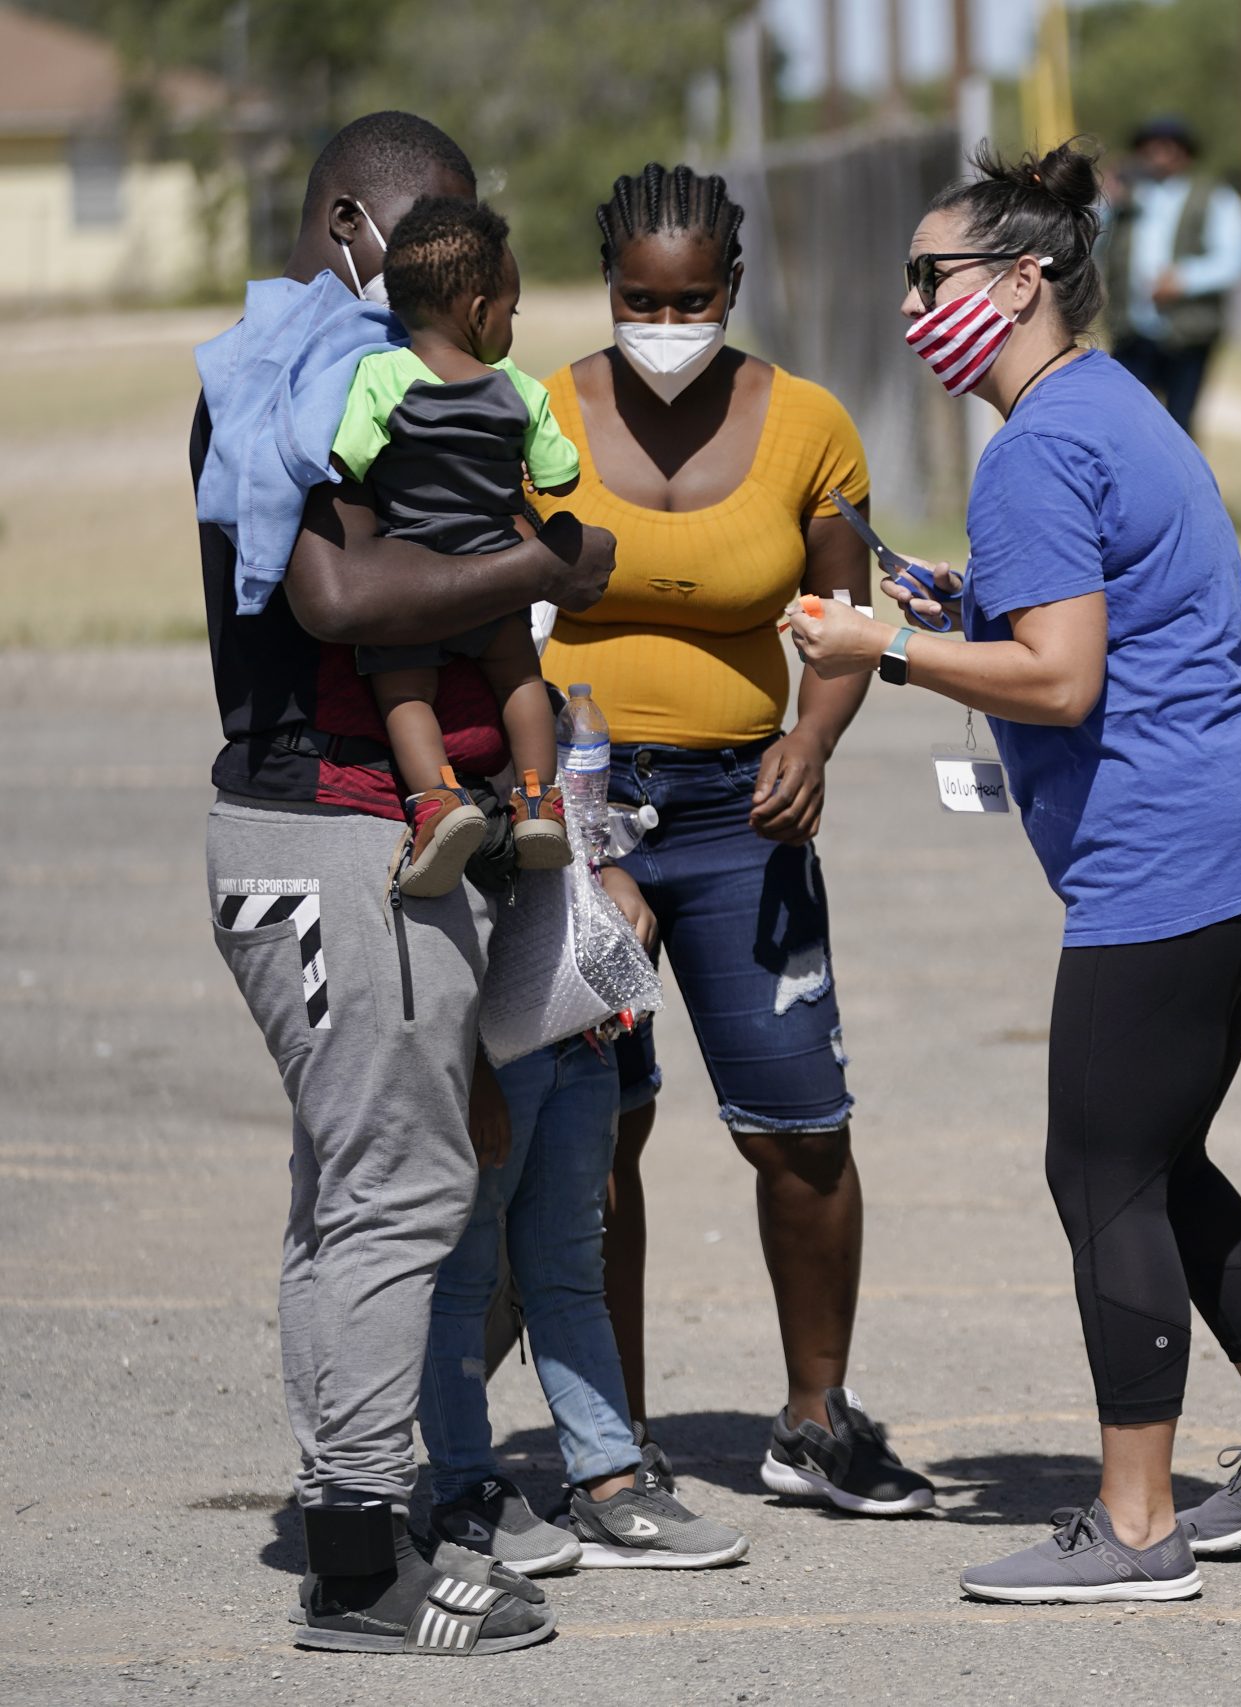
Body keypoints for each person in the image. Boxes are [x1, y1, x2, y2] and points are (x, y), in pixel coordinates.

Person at [789, 139, 1241, 1606]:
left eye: (928, 275)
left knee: (1103, 1168)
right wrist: (963, 602)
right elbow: (1094, 606)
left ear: (1018, 282)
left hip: (1173, 859)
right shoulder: (1103, 401)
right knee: (1158, 1154)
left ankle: (1134, 1525)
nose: (911, 301)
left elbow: (1061, 679)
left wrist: (885, 645)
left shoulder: (1036, 449)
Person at [194, 110, 614, 1655]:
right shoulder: (299, 378)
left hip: (370, 828)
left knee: (350, 1188)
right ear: (352, 228)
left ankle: (348, 1513)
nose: (451, 264)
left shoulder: (375, 375)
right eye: (430, 231)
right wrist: (543, 570)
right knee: (402, 1189)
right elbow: (340, 590)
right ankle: (364, 1570)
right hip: (331, 829)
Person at [528, 162, 934, 1518]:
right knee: (598, 1136)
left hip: (739, 818)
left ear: (732, 288)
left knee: (803, 1132)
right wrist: (548, 816)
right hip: (582, 817)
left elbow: (842, 624)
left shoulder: (809, 425)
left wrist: (810, 740)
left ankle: (817, 1419)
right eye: (641, 301)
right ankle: (613, 1443)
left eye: (691, 300)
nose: (665, 325)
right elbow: (489, 620)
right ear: (609, 286)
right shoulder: (539, 415)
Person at [417, 983, 750, 1575]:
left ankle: (610, 1491)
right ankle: (463, 1494)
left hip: (580, 1035)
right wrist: (468, 1064)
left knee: (568, 1273)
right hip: (485, 1043)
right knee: (461, 1276)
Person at [331, 196, 578, 895]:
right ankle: (538, 800)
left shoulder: (380, 376)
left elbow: (347, 459)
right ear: (479, 312)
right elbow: (561, 476)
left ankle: (439, 800)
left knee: (405, 690)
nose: (511, 324)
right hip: (496, 575)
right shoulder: (518, 388)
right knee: (520, 680)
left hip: (414, 582)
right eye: (512, 310)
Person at [1099, 115, 1241, 439]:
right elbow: (1092, 245)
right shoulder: (1126, 197)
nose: (1158, 154)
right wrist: (1107, 198)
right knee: (1127, 424)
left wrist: (1184, 280)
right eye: (1150, 147)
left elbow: (1233, 259)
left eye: (1168, 146)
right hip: (1132, 331)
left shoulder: (1214, 196)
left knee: (1180, 425)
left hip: (1188, 332)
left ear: (1186, 152)